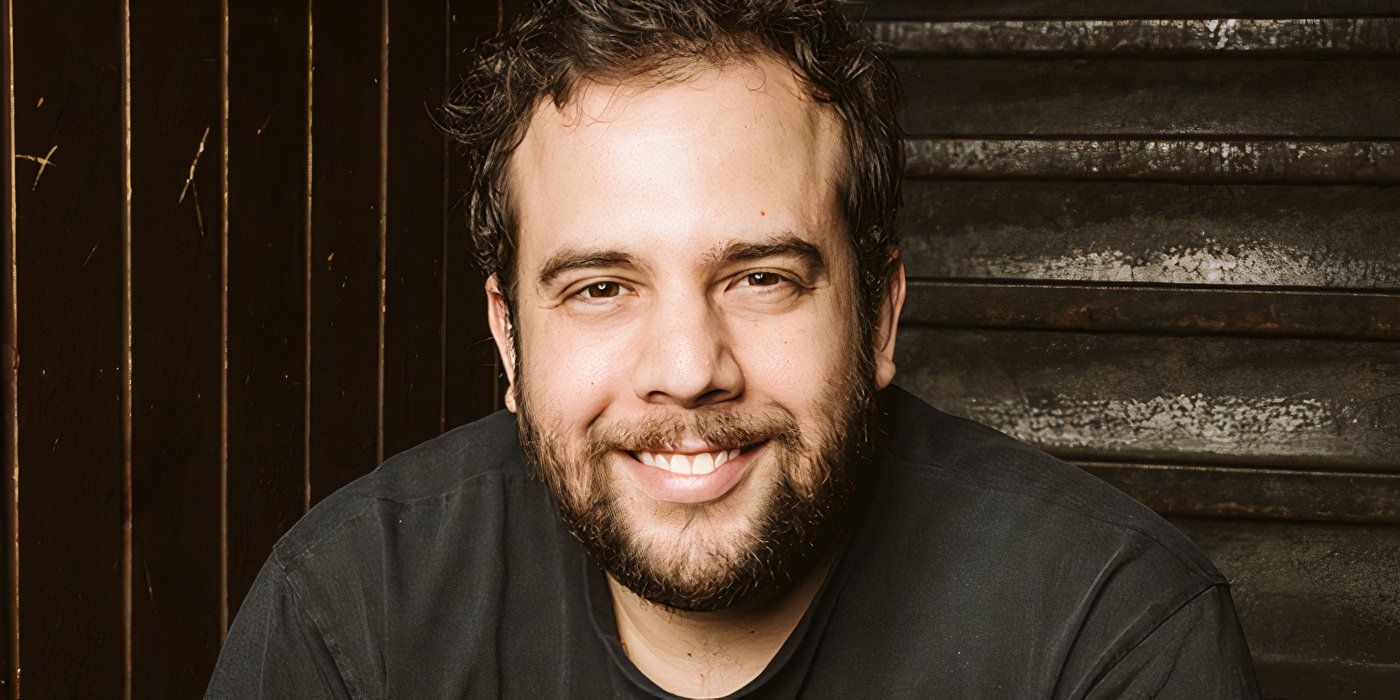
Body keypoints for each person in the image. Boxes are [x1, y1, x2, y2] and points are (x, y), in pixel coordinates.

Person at [206, 1, 1260, 697]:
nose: (687, 365)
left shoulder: (1105, 635)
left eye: (759, 277)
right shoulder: (349, 614)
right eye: (601, 288)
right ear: (508, 339)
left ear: (880, 316)